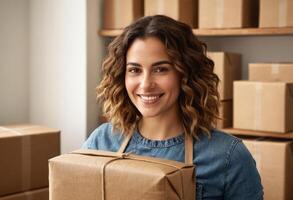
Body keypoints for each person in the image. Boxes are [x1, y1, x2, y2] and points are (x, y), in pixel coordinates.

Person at [82, 15, 263, 199]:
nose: (145, 84)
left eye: (160, 69)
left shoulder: (228, 156)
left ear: (185, 74)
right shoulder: (101, 143)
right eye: (134, 70)